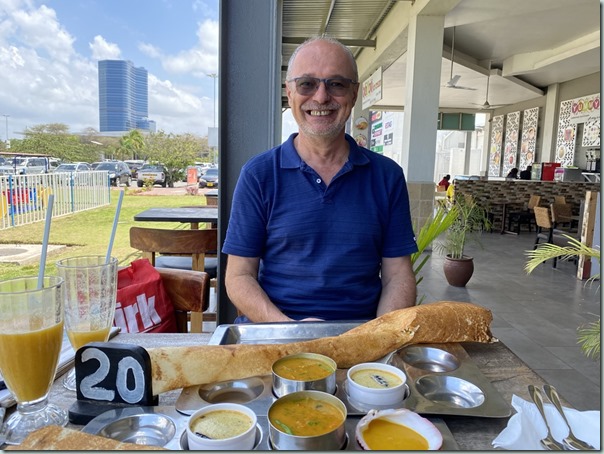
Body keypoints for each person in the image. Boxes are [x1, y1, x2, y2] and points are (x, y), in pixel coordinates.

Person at [222, 36, 418, 323]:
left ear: (354, 94)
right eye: (307, 84)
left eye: (336, 84)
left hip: (359, 335)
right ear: (290, 93)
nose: (322, 97)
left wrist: (377, 337)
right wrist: (290, 331)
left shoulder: (387, 176)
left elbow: (397, 275)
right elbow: (239, 276)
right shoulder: (258, 174)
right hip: (276, 333)